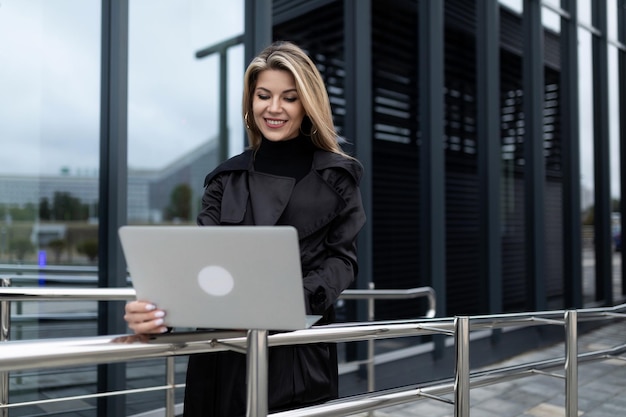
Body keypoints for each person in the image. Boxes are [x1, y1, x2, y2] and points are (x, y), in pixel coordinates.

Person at [123, 40, 366, 417]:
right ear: (250, 103)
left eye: (289, 97)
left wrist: (286, 300)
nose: (274, 108)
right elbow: (197, 266)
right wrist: (158, 314)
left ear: (307, 104)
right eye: (263, 95)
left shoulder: (337, 177)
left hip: (296, 354)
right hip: (220, 354)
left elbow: (343, 261)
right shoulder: (226, 177)